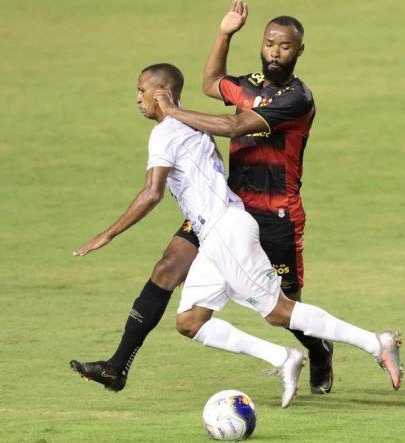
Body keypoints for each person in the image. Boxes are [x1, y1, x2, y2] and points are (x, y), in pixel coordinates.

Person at [75, 63, 402, 408]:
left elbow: (152, 193)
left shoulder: (166, 132)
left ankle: (375, 342)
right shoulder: (190, 126)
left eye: (141, 91)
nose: (137, 98)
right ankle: (282, 358)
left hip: (225, 231)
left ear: (160, 93)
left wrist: (107, 235)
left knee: (279, 311)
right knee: (190, 322)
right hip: (215, 233)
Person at [70, 1, 334, 395]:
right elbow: (212, 83)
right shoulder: (251, 85)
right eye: (269, 44)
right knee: (167, 268)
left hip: (273, 211)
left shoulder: (296, 98)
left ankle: (319, 347)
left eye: (284, 47)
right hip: (225, 206)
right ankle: (117, 366)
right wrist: (225, 33)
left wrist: (173, 112)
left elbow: (232, 126)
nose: (275, 53)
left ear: (299, 50)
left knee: (282, 311)